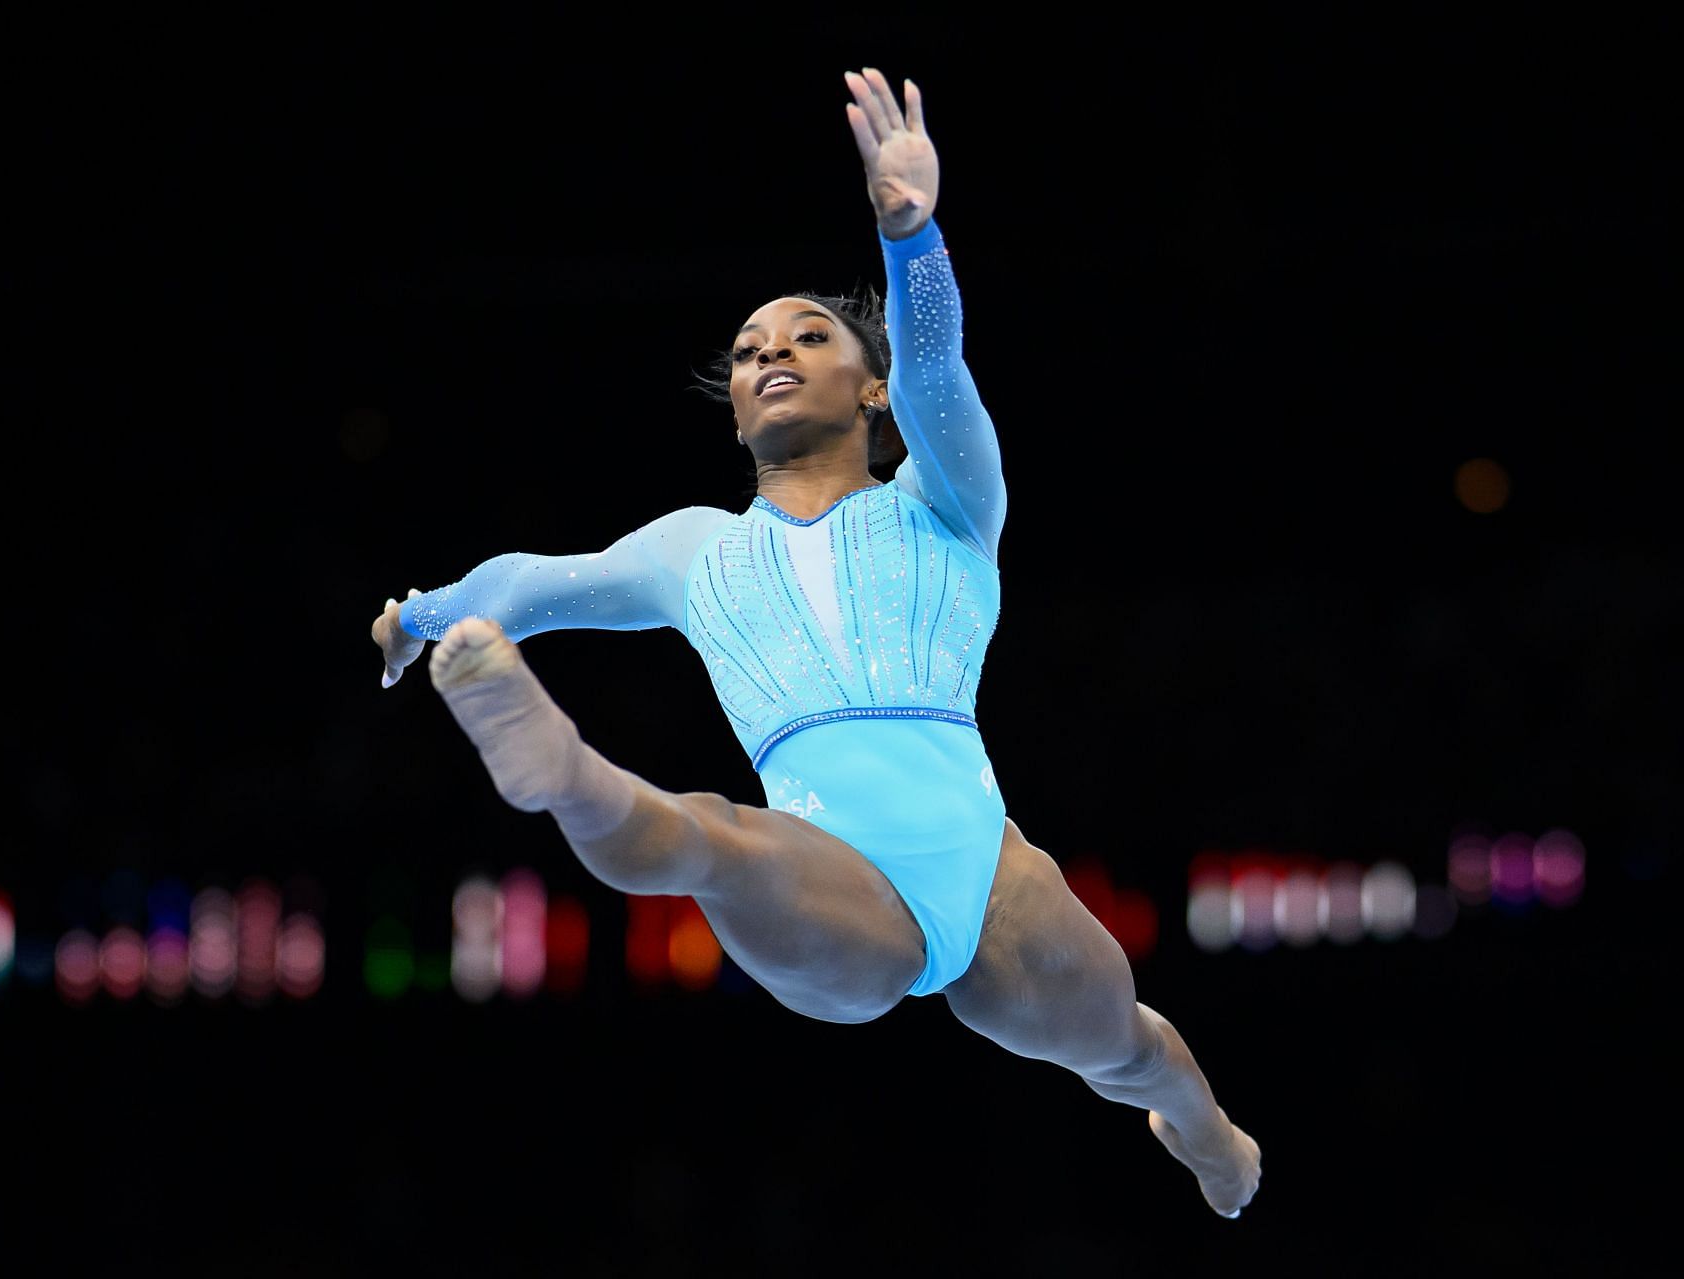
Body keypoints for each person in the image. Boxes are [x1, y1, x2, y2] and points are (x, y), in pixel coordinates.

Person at [371, 67, 1260, 1219]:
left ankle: (1211, 1140)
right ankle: (562, 771)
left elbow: (942, 367)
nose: (770, 352)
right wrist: (432, 613)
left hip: (990, 879)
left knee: (1134, 1050)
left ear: (873, 390)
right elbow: (535, 580)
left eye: (808, 335)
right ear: (736, 406)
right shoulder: (693, 549)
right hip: (827, 868)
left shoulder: (944, 504)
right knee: (713, 837)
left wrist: (912, 235)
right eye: (747, 351)